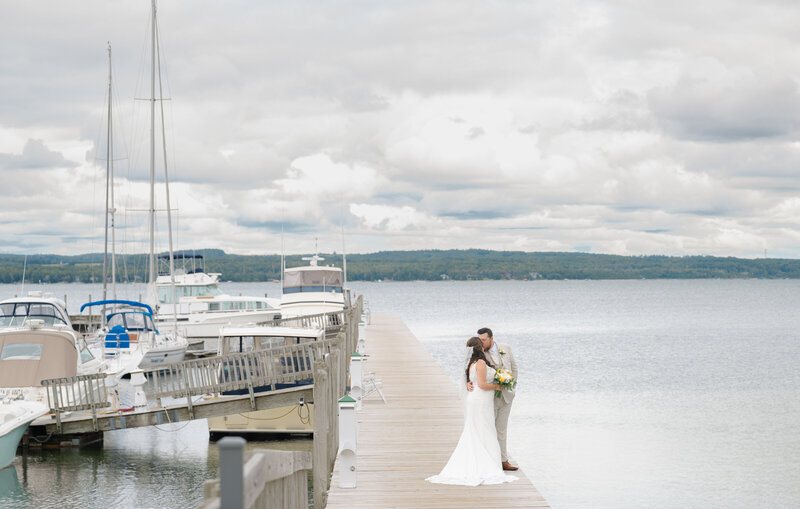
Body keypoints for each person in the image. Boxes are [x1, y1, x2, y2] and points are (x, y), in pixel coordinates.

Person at [426, 337, 518, 486]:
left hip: (479, 400)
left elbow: (475, 381)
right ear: (480, 348)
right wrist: (498, 387)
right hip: (480, 400)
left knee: (479, 430)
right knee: (484, 430)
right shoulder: (480, 363)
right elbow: (481, 384)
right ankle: (484, 464)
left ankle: (481, 459)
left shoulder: (472, 363)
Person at [469, 327, 519, 471]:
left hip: (507, 395)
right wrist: (468, 381)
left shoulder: (505, 348)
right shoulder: (479, 354)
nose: (481, 342)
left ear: (491, 338)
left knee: (502, 429)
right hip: (489, 397)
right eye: (479, 340)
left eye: (483, 340)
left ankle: (503, 460)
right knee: (488, 428)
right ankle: (489, 459)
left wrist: (510, 384)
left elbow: (514, 368)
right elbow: (470, 369)